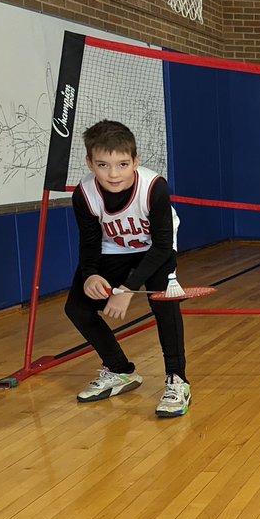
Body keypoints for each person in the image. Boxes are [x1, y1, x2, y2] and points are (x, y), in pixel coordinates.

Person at [64, 120, 191, 418]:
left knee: (164, 301)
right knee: (78, 308)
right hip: (115, 249)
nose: (113, 174)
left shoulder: (154, 187)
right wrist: (91, 274)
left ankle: (177, 379)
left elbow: (161, 247)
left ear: (135, 161)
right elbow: (90, 242)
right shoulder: (84, 194)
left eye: (122, 164)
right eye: (103, 165)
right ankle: (120, 370)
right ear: (89, 164)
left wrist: (126, 290)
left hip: (156, 250)